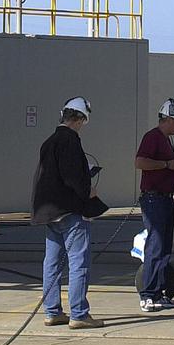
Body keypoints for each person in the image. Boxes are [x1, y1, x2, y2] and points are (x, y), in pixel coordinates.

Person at [31, 95, 108, 329]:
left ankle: (52, 311)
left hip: (50, 212)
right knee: (78, 262)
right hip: (70, 211)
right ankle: (79, 314)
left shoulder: (49, 142)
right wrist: (88, 191)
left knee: (52, 263)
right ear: (80, 119)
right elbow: (73, 176)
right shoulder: (70, 141)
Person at [134, 97, 174, 313]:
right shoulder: (153, 137)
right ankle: (148, 294)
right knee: (155, 246)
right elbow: (140, 162)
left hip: (164, 198)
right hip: (154, 199)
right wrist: (166, 164)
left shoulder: (166, 140)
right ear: (169, 119)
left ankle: (159, 292)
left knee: (164, 247)